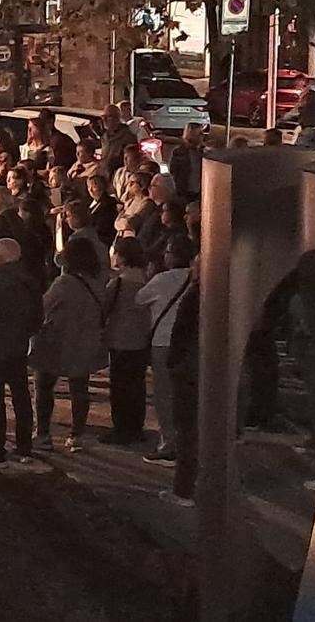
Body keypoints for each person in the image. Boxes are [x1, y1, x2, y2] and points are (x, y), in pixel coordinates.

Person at [29, 238, 107, 453]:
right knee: (79, 387)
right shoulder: (97, 283)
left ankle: (43, 434)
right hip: (86, 340)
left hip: (58, 339)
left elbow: (44, 305)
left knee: (44, 386)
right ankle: (77, 434)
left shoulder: (64, 283)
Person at [0, 239, 42, 464]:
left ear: (0, 258)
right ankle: (24, 445)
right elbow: (38, 316)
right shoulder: (29, 283)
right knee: (21, 396)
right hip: (18, 347)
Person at [135, 235, 196, 466]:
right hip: (188, 341)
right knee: (185, 393)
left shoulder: (162, 279)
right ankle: (185, 439)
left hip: (163, 341)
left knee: (164, 394)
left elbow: (139, 299)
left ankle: (169, 443)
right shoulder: (197, 276)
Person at [101, 238, 152, 445]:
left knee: (120, 386)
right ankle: (136, 427)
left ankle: (121, 428)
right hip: (141, 338)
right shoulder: (147, 280)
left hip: (120, 338)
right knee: (137, 385)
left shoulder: (119, 282)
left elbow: (105, 307)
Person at [163, 257, 200, 508]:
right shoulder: (225, 293)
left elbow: (182, 332)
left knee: (187, 429)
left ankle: (184, 489)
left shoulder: (196, 296)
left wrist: (174, 362)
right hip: (203, 366)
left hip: (189, 368)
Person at [58, 201, 111, 277]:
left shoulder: (76, 238)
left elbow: (62, 260)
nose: (66, 220)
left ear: (77, 218)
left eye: (69, 216)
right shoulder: (94, 233)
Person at [114, 172, 158, 238]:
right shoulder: (130, 201)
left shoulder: (147, 203)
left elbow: (132, 223)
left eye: (133, 182)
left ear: (142, 185)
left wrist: (124, 221)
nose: (130, 185)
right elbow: (116, 222)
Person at [168, 123, 205, 199]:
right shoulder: (179, 152)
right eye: (199, 134)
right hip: (184, 192)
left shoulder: (204, 152)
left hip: (200, 192)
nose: (202, 136)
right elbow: (173, 171)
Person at [100, 104, 138, 179]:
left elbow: (131, 160)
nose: (104, 120)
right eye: (103, 117)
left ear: (117, 118)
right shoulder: (105, 136)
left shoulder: (127, 137)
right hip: (105, 176)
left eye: (108, 117)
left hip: (120, 177)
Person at [86, 175, 118, 246]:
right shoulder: (89, 203)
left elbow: (103, 226)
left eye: (94, 187)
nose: (90, 190)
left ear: (102, 187)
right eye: (88, 187)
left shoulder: (109, 203)